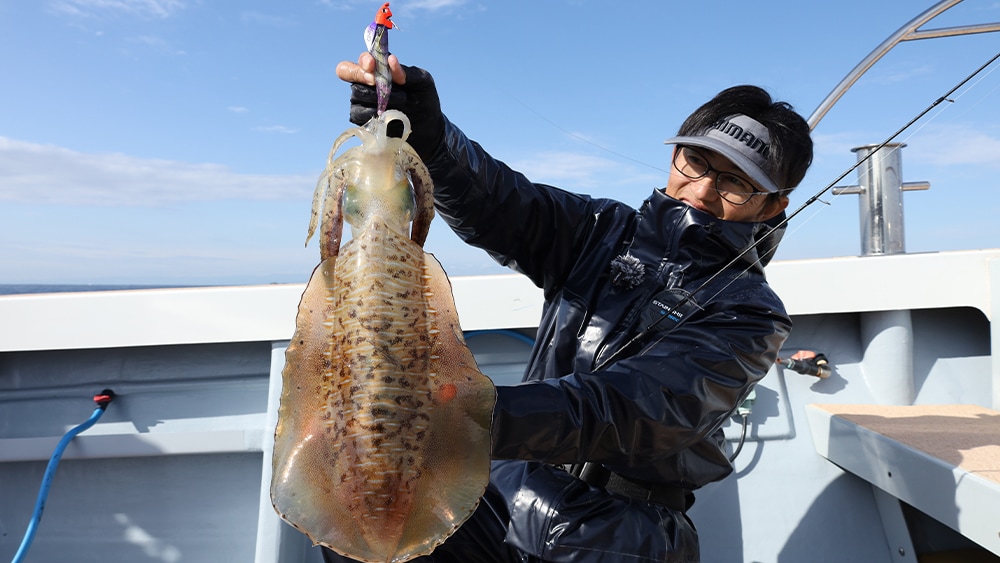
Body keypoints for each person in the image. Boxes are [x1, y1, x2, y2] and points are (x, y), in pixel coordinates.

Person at [329, 53, 813, 562]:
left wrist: (460, 418)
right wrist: (430, 138)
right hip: (500, 496)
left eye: (737, 182)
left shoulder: (751, 314)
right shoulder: (601, 231)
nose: (703, 189)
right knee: (359, 522)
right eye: (697, 161)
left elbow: (632, 408)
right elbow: (499, 203)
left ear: (773, 204)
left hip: (619, 534)